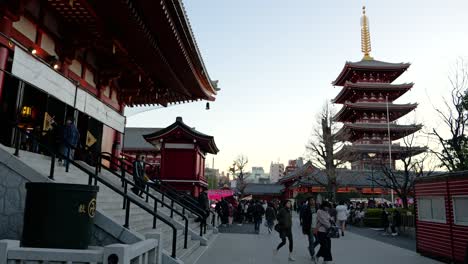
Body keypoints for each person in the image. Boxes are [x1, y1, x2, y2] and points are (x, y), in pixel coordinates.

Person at [301, 197, 319, 262]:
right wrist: (304, 229)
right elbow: (304, 220)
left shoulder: (317, 208)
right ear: (308, 201)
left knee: (318, 240)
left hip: (317, 227)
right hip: (310, 228)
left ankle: (310, 248)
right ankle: (313, 255)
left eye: (313, 200)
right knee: (311, 241)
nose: (313, 201)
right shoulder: (306, 209)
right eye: (311, 200)